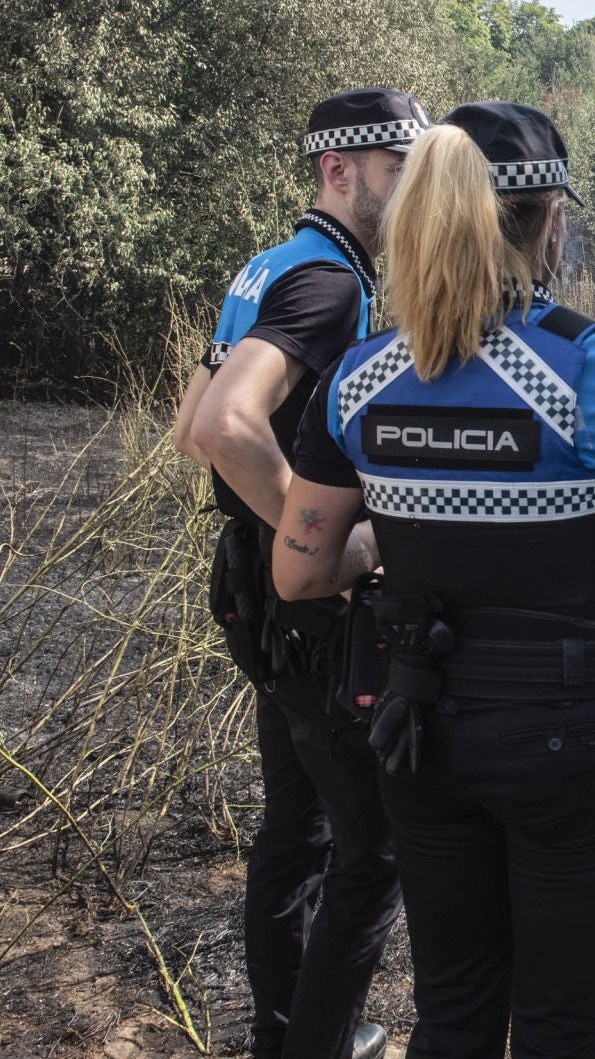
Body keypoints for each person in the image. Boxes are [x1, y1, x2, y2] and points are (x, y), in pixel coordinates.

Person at [269, 101, 595, 1059]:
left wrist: (390, 549)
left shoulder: (354, 382)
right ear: (547, 218)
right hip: (578, 748)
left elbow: (301, 570)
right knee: (564, 1028)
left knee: (453, 1016)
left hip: (422, 736)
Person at [173, 88, 425, 1059]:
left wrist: (268, 528)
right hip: (299, 610)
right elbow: (217, 426)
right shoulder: (328, 285)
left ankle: (283, 1031)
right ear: (339, 170)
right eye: (398, 174)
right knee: (377, 848)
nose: (410, 198)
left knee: (297, 828)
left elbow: (187, 419)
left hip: (248, 598)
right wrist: (319, 542)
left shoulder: (266, 267)